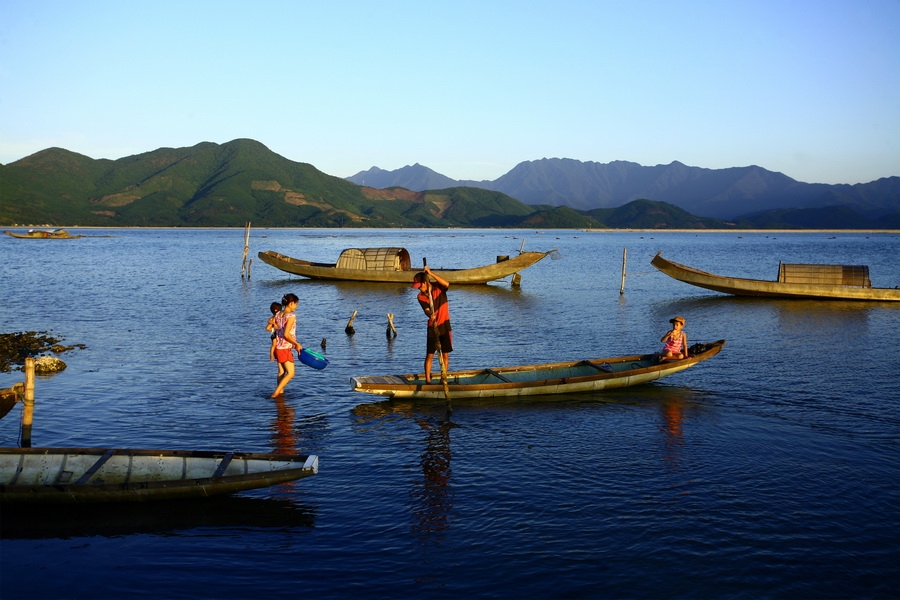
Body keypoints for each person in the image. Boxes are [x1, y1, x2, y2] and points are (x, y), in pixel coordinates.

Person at [412, 266, 452, 383]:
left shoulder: (438, 287)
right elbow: (426, 310)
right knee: (430, 355)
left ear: (425, 282)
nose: (419, 289)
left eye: (420, 286)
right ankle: (428, 380)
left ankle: (443, 378)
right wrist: (430, 314)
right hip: (432, 328)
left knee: (445, 355)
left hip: (444, 325)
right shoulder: (420, 296)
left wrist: (431, 273)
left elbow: (447, 283)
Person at [271, 293, 304, 398]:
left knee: (281, 371)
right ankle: (276, 393)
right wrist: (296, 344)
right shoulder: (291, 316)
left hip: (278, 347)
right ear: (291, 303)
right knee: (290, 373)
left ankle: (280, 393)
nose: (296, 307)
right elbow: (286, 334)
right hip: (285, 348)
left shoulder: (278, 314)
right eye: (296, 304)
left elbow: (275, 329)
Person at [266, 302, 284, 378]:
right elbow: (268, 325)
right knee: (273, 344)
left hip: (276, 333)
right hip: (275, 334)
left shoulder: (278, 317)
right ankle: (271, 355)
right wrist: (274, 324)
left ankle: (273, 354)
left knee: (275, 344)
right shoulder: (274, 317)